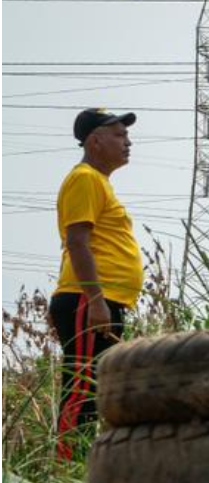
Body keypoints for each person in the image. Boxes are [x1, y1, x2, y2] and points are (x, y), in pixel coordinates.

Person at [52, 108, 144, 459]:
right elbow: (78, 241)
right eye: (119, 135)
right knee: (81, 388)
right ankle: (64, 466)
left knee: (95, 388)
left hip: (101, 301)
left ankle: (79, 465)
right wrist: (95, 299)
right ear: (95, 141)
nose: (128, 142)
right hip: (86, 301)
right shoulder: (85, 178)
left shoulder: (99, 182)